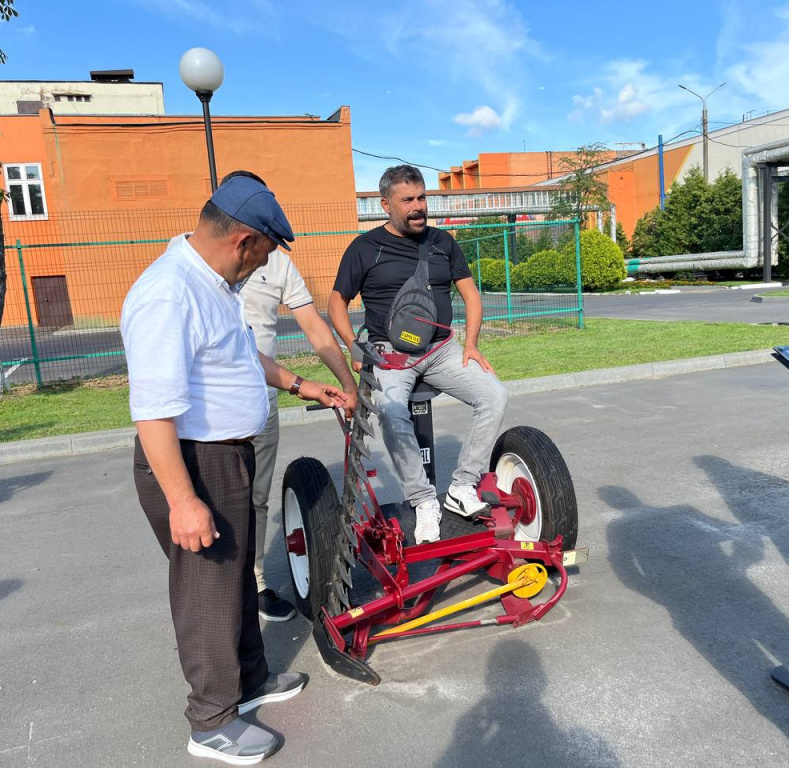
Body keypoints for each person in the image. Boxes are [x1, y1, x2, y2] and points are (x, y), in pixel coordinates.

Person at [121, 175, 348, 765]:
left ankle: (248, 684)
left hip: (227, 455)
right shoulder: (169, 293)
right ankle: (212, 722)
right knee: (206, 592)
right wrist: (183, 501)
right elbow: (153, 413)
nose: (260, 268)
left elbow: (244, 360)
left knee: (236, 580)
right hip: (194, 464)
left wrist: (304, 384)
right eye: (263, 255)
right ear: (245, 240)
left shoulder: (211, 284)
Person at [328, 164, 509, 544]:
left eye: (422, 197)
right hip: (390, 352)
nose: (417, 206)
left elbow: (471, 296)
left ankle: (463, 487)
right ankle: (423, 500)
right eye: (407, 199)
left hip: (441, 349)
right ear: (385, 205)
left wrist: (471, 343)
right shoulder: (365, 248)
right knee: (393, 412)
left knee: (494, 394)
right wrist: (354, 348)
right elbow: (336, 303)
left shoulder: (443, 243)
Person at [221, 171, 358, 623]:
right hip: (211, 408)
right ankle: (218, 592)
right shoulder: (196, 258)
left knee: (256, 497)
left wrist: (348, 382)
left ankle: (254, 581)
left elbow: (314, 326)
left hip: (262, 399)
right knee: (214, 501)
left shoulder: (275, 260)